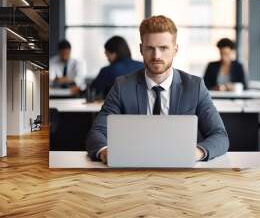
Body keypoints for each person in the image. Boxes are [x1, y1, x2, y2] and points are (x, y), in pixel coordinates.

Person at [86, 15, 229, 164]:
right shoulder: (122, 86)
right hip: (133, 168)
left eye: (163, 48)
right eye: (150, 48)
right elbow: (97, 132)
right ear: (141, 49)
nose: (156, 56)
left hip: (181, 172)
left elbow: (220, 136)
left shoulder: (195, 87)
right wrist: (105, 152)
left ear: (175, 50)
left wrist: (195, 153)